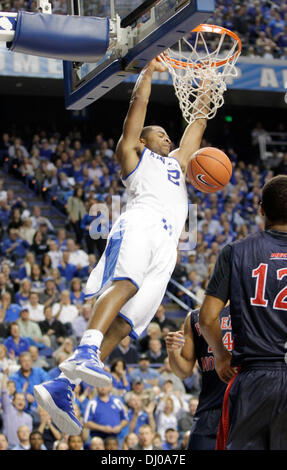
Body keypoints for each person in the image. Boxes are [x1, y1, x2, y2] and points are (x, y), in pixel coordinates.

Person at [34, 57, 210, 434]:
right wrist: (146, 72)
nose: (167, 138)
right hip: (140, 221)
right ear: (144, 140)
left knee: (129, 323)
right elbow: (138, 107)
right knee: (126, 281)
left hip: (168, 247)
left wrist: (207, 87)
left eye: (168, 135)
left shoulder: (179, 162)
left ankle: (65, 385)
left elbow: (196, 124)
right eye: (160, 134)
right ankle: (85, 349)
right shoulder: (133, 155)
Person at [198, 175, 287, 450]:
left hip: (254, 377)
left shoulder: (235, 252)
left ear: (261, 209)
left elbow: (207, 318)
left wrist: (221, 355)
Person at [165, 305, 232, 450]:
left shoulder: (251, 309)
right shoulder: (195, 317)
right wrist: (173, 351)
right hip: (210, 409)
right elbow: (184, 372)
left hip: (247, 406)